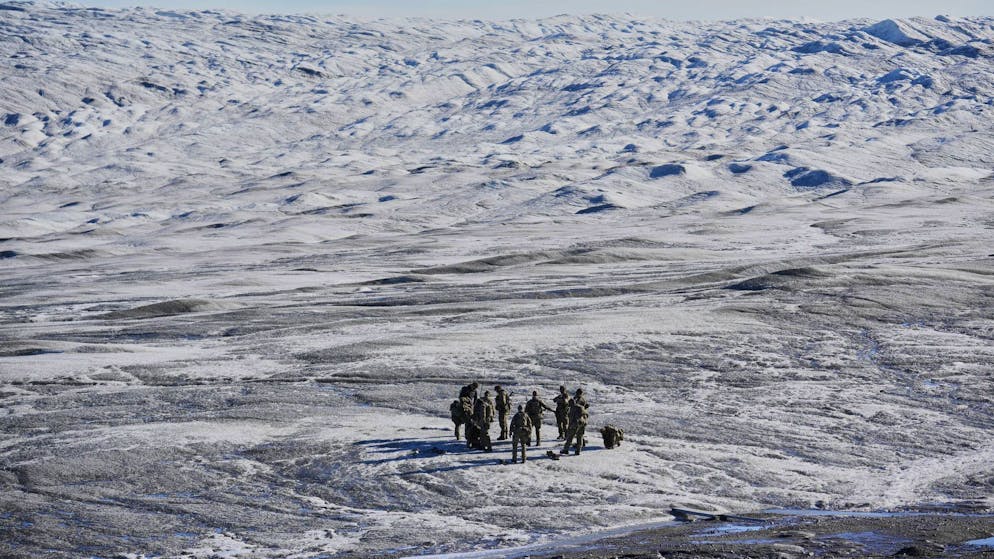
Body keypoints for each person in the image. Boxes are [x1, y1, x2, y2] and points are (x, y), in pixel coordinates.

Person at [562, 388, 589, 455]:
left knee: (570, 436)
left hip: (575, 422)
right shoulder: (583, 402)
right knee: (580, 436)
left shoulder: (575, 402)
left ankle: (566, 449)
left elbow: (571, 416)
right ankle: (578, 450)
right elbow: (586, 410)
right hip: (583, 421)